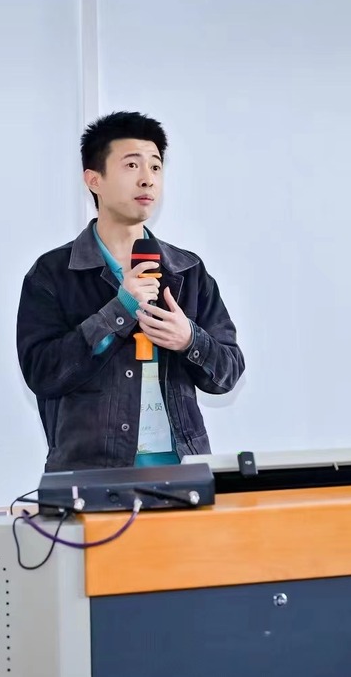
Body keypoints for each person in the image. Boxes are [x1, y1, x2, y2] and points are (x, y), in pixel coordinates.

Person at [16, 111, 245, 472]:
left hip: (182, 472)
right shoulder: (53, 274)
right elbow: (42, 373)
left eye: (155, 167)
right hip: (89, 475)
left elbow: (228, 373)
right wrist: (118, 310)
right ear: (94, 180)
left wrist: (189, 339)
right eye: (131, 165)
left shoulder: (187, 271)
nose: (147, 179)